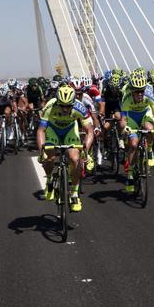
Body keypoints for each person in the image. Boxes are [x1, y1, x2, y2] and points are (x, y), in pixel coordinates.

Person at [36, 83, 94, 212]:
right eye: (62, 106)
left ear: (73, 103)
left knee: (74, 159)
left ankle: (74, 193)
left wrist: (86, 151)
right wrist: (42, 152)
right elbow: (41, 130)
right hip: (53, 130)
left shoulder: (79, 107)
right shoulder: (50, 106)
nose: (65, 109)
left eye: (68, 106)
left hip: (69, 130)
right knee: (49, 157)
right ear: (57, 102)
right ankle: (50, 180)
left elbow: (89, 130)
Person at [119, 69, 154, 192]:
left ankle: (150, 149)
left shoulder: (149, 95)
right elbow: (123, 119)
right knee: (134, 144)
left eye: (142, 91)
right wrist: (125, 128)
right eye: (137, 91)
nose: (140, 94)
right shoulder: (127, 98)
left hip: (145, 115)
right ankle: (130, 174)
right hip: (132, 118)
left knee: (150, 129)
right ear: (132, 90)